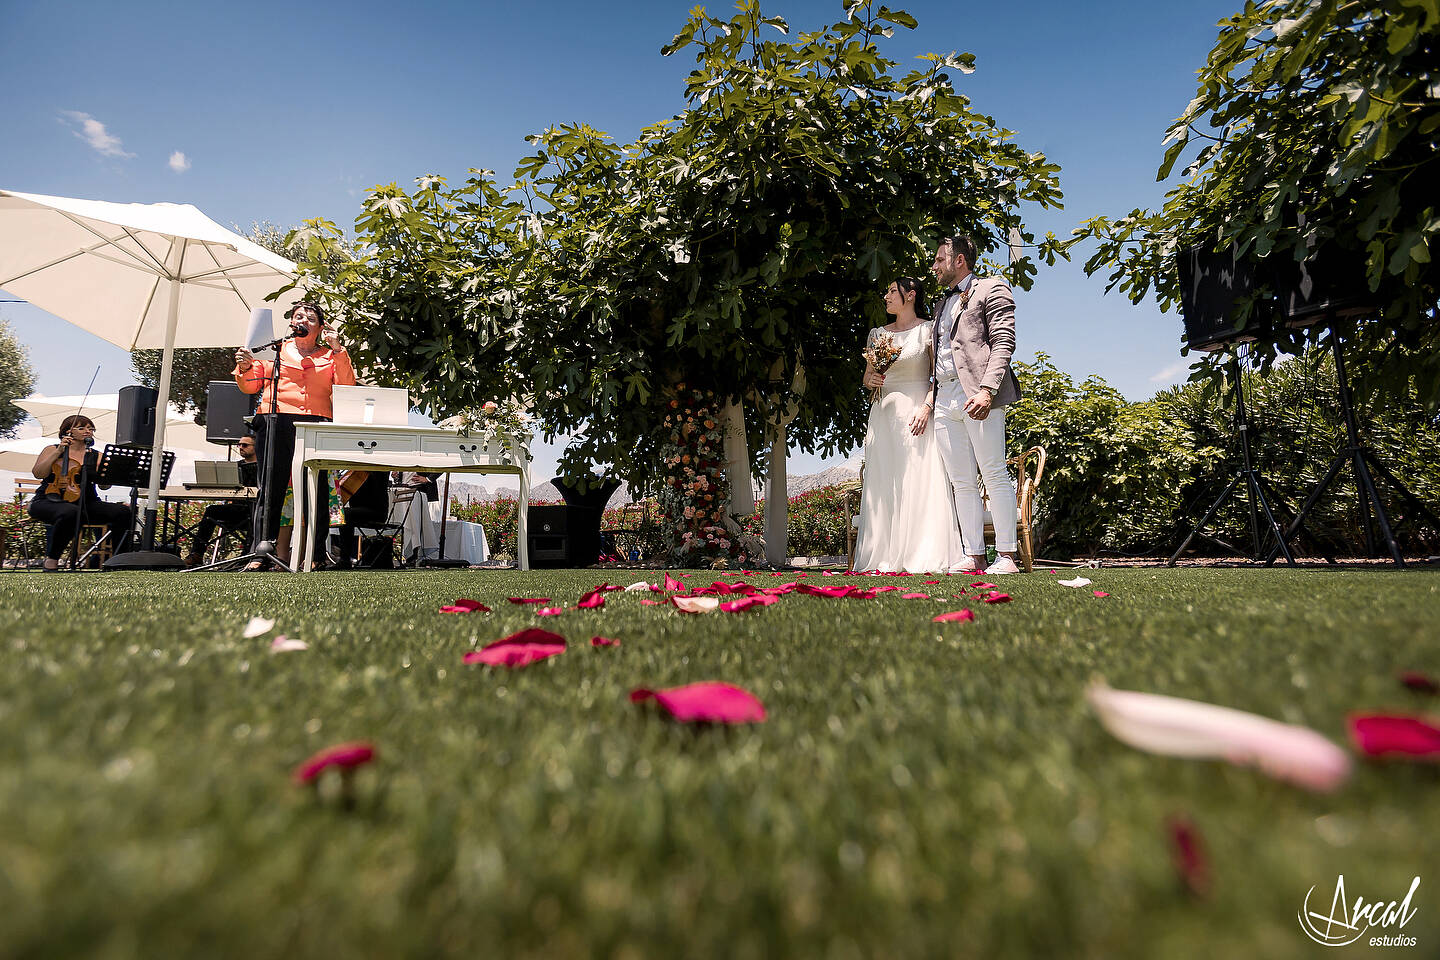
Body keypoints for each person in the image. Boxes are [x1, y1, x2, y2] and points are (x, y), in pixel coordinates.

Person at [852, 277, 966, 573]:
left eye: (892, 291)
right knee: (886, 482)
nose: (886, 296)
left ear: (910, 296)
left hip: (917, 415)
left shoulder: (927, 330)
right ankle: (885, 555)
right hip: (883, 417)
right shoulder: (877, 334)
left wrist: (927, 406)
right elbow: (866, 377)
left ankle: (920, 551)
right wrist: (871, 380)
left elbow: (937, 376)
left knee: (918, 479)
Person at [233, 300, 356, 569]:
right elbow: (250, 385)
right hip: (274, 420)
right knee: (270, 488)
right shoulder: (275, 351)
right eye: (299, 316)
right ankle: (261, 551)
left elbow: (347, 385)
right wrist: (244, 367)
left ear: (322, 328)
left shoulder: (330, 355)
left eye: (311, 318)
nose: (303, 321)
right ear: (291, 323)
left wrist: (338, 350)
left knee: (316, 490)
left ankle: (315, 555)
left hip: (315, 422)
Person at [928, 234, 1022, 575]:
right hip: (944, 398)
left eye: (940, 259)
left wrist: (986, 390)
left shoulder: (992, 287)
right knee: (962, 481)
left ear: (959, 261)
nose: (934, 266)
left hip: (977, 393)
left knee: (994, 472)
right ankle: (974, 555)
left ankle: (1007, 556)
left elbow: (1003, 340)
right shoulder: (941, 304)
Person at [27, 415, 134, 571]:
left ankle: (118, 559)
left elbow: (104, 487)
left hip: (86, 501)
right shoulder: (52, 449)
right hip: (48, 500)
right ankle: (52, 559)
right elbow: (38, 473)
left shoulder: (96, 455)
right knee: (70, 512)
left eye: (90, 428)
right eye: (81, 428)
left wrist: (107, 474)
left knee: (122, 512)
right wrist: (58, 452)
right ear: (68, 431)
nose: (87, 431)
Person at [185, 434, 258, 566]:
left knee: (254, 513)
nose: (241, 448)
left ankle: (247, 556)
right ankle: (197, 554)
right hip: (236, 510)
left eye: (245, 445)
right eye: (239, 445)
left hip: (254, 510)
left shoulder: (263, 468)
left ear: (256, 447)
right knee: (211, 510)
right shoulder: (234, 467)